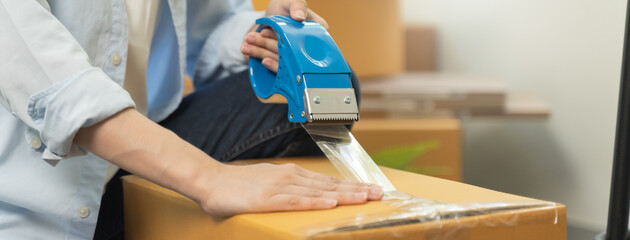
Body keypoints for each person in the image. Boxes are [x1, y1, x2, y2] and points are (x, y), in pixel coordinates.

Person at [0, 0, 382, 239]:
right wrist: (210, 178)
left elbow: (211, 25)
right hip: (33, 205)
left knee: (323, 86)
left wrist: (261, 34)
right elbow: (55, 85)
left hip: (125, 178)